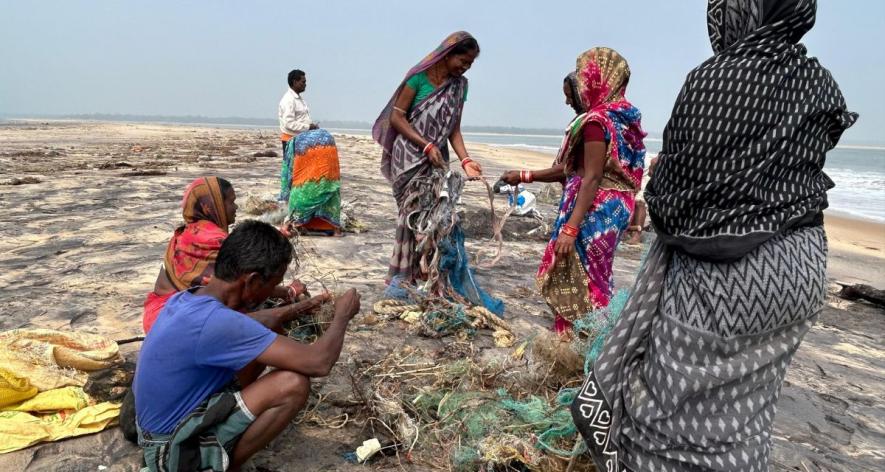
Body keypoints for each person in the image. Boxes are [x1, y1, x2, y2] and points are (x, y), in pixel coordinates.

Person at [571, 1, 857, 471]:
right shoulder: (819, 81)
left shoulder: (715, 78)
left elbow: (679, 204)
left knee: (665, 417)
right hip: (799, 269)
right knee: (747, 413)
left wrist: (661, 187)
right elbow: (781, 170)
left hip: (725, 282)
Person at [134, 221, 362, 471]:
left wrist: (299, 307)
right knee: (293, 384)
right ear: (252, 280)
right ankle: (225, 466)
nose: (273, 291)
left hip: (153, 433)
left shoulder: (190, 298)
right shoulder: (218, 322)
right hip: (171, 453)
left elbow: (255, 322)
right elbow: (319, 362)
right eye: (273, 283)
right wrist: (342, 316)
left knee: (266, 335)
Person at [500, 48, 646, 335]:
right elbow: (577, 170)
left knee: (578, 275)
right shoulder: (624, 118)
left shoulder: (595, 122)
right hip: (617, 209)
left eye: (573, 90)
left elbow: (590, 177)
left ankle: (584, 341)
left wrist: (570, 228)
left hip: (593, 211)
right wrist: (524, 175)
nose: (568, 100)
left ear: (595, 81)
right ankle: (590, 337)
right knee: (597, 275)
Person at [372, 32, 502, 314]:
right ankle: (403, 276)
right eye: (462, 61)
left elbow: (454, 129)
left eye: (469, 64)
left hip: (437, 160)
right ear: (447, 53)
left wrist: (465, 159)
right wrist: (425, 143)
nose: (464, 67)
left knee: (436, 219)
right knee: (412, 216)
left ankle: (425, 275)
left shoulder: (460, 87)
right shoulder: (417, 79)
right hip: (409, 157)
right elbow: (397, 117)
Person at [142, 177, 309, 333]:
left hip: (158, 314)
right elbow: (240, 282)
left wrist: (279, 235)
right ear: (213, 205)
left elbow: (244, 247)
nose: (235, 207)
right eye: (231, 202)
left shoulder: (189, 231)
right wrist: (290, 292)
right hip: (173, 322)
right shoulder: (213, 240)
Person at [278, 69, 318, 157]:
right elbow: (288, 123)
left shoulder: (299, 99)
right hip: (291, 142)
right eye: (303, 82)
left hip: (301, 140)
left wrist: (312, 126)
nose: (305, 84)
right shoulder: (289, 100)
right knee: (293, 169)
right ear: (295, 82)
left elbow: (301, 118)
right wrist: (308, 127)